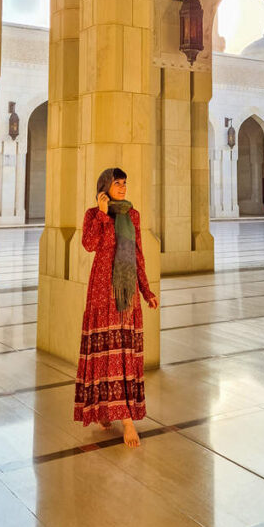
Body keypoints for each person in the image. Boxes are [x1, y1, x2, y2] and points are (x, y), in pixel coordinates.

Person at [74, 167, 159, 447]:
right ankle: (105, 410)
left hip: (126, 292)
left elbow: (138, 255)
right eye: (117, 183)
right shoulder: (93, 215)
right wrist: (100, 213)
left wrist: (146, 291)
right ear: (105, 187)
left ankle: (126, 418)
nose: (122, 187)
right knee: (104, 353)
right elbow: (89, 244)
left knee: (122, 353)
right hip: (102, 291)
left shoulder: (132, 215)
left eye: (124, 182)